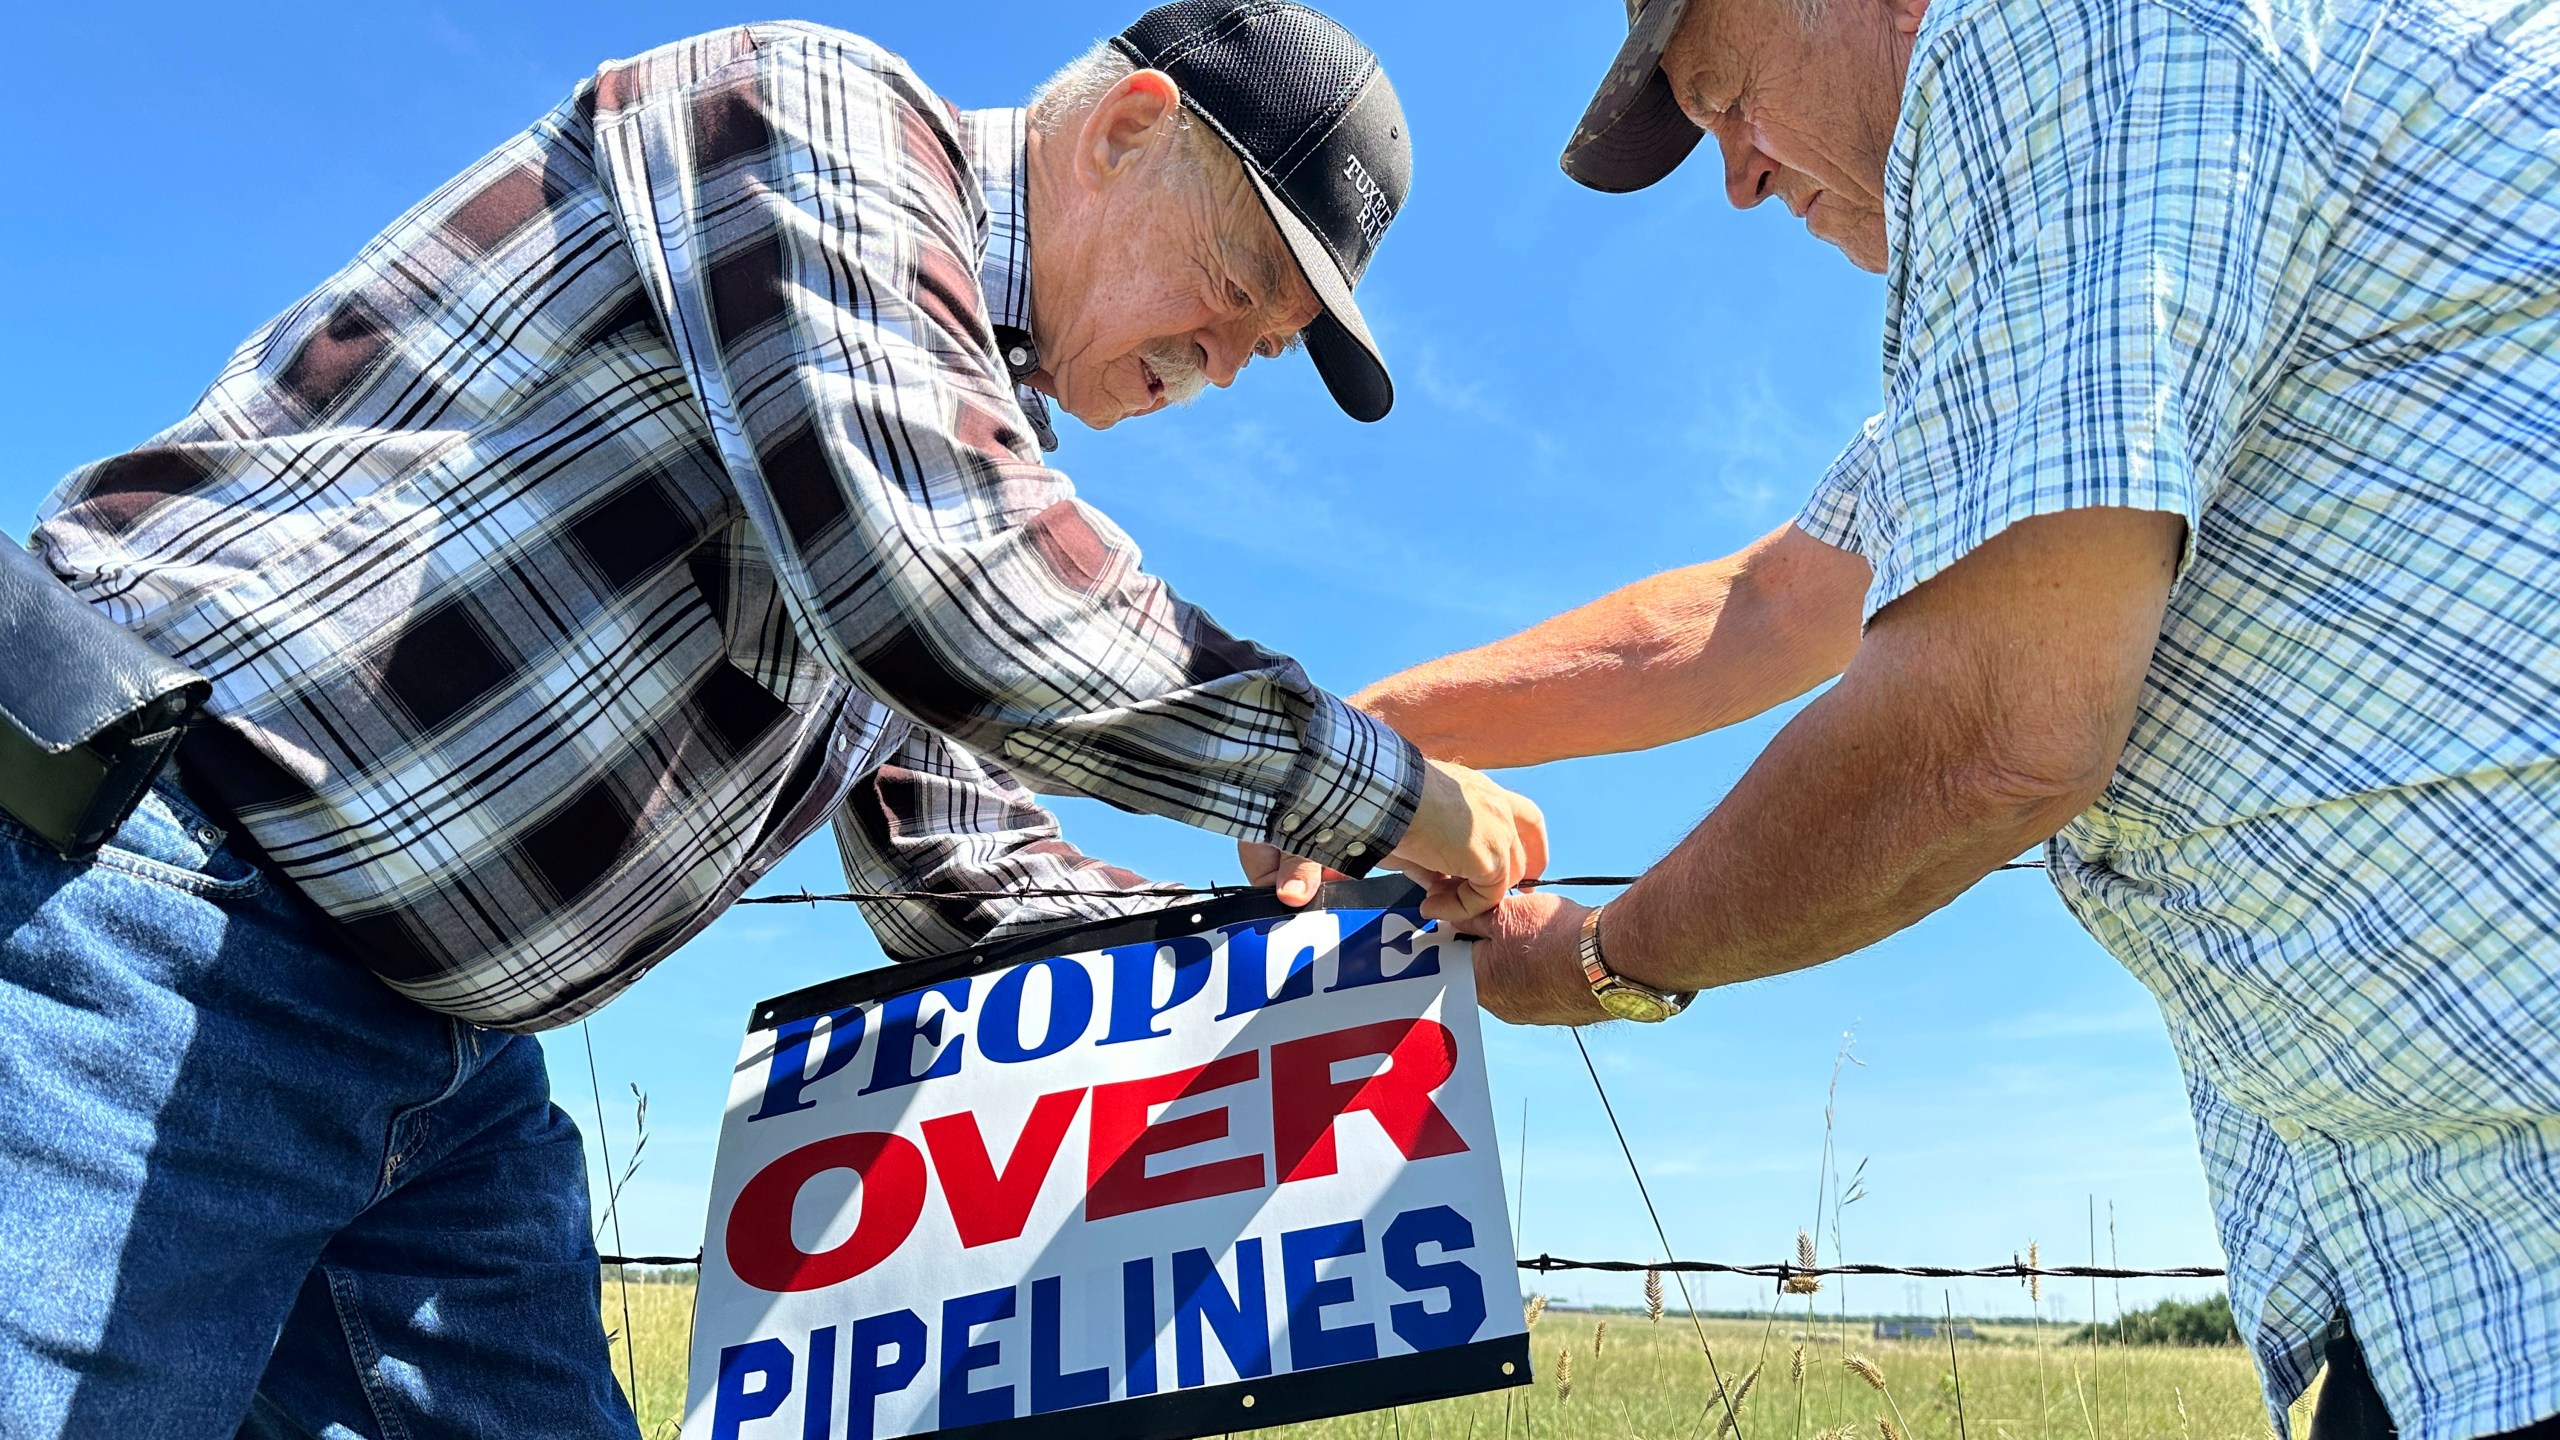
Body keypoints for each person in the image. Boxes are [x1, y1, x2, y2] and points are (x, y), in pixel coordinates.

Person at [0, 4, 1545, 1435]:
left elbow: (979, 883)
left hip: (446, 1083)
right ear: (1124, 128)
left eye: (1257, 356)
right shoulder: (822, 120)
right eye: (1233, 296)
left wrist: (1344, 967)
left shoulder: (921, 434)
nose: (1218, 370)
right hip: (161, 913)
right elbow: (954, 583)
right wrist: (1391, 792)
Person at [1306, 0, 2560, 1434]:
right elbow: (1762, 610)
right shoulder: (2066, 284)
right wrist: (1353, 736)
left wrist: (1598, 960)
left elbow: (1994, 726)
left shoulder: (2057, 27)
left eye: (1728, 97)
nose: (1738, 179)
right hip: (2448, 1253)